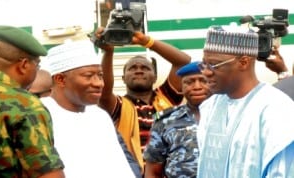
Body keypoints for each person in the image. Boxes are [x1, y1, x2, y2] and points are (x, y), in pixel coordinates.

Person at [197, 25, 294, 178]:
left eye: (214, 65)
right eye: (204, 64)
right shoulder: (210, 107)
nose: (206, 72)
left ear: (243, 62)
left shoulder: (276, 109)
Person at [94, 27, 191, 172]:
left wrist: (147, 42)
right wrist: (108, 52)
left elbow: (183, 62)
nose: (139, 70)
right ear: (123, 79)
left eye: (145, 68)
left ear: (155, 77)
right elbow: (105, 89)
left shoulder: (166, 97)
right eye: (132, 68)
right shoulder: (119, 106)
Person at [41, 40, 137, 178]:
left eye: (100, 75)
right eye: (88, 76)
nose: (99, 83)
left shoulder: (99, 116)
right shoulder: (39, 114)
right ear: (60, 79)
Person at [0, 25, 65, 177]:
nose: (37, 70)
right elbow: (48, 174)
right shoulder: (22, 103)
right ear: (24, 65)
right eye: (37, 65)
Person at [143, 61, 212, 178]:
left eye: (203, 81)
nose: (197, 87)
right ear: (181, 87)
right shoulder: (166, 120)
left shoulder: (229, 116)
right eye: (189, 82)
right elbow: (153, 171)